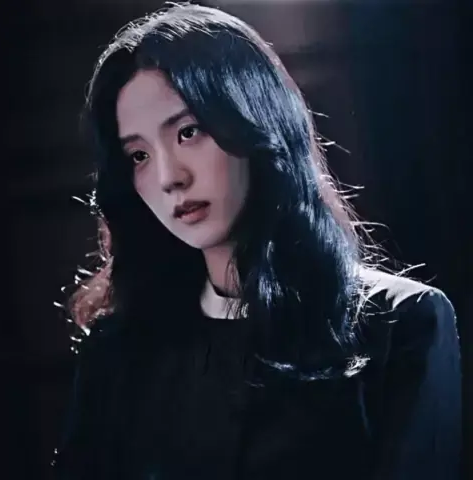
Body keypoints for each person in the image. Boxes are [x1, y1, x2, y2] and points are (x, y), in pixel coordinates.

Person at [51, 3, 462, 479]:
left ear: (256, 121)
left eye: (188, 132)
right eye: (139, 155)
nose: (169, 178)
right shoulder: (118, 353)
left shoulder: (401, 325)